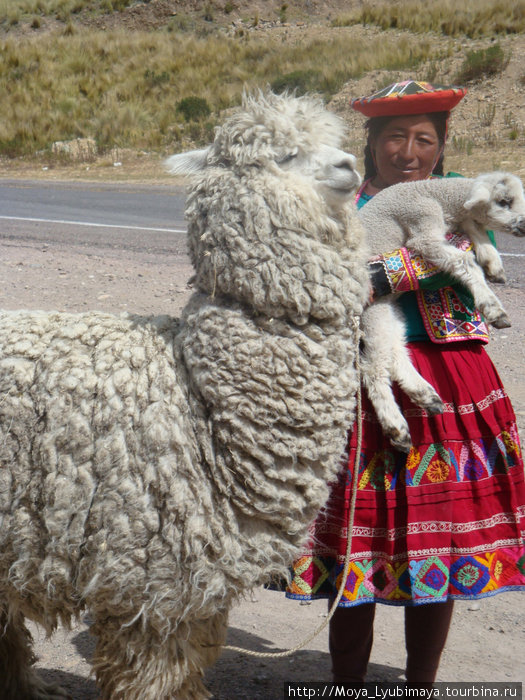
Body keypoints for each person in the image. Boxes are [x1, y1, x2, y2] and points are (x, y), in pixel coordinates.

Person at [285, 80, 525, 685]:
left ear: (441, 148)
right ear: (372, 144)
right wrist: (411, 264)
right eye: (395, 137)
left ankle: (421, 684)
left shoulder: (462, 204)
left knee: (437, 550)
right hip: (361, 381)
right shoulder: (336, 208)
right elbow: (333, 290)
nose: (409, 152)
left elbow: (474, 264)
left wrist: (390, 268)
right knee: (353, 549)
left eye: (424, 139)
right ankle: (346, 686)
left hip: (450, 381)